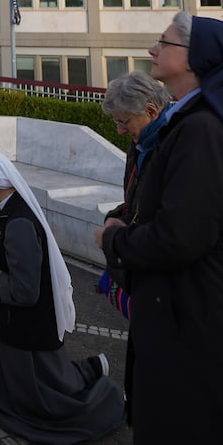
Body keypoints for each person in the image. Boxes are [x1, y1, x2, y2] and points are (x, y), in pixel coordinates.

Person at [94, 13, 223, 445]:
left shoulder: (204, 129)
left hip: (212, 335)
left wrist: (114, 241)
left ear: (194, 58)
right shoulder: (203, 122)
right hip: (207, 326)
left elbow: (180, 236)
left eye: (161, 43)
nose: (152, 52)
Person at [0, 150, 123, 445]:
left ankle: (106, 400)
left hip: (22, 326)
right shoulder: (6, 209)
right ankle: (92, 369)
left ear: (0, 181)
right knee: (51, 379)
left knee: (46, 399)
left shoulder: (17, 222)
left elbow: (25, 291)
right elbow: (8, 251)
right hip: (10, 322)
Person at [95, 72, 172, 318]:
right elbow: (138, 201)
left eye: (124, 122)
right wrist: (117, 217)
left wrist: (115, 236)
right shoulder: (142, 142)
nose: (120, 131)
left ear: (151, 111)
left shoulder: (172, 146)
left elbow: (168, 218)